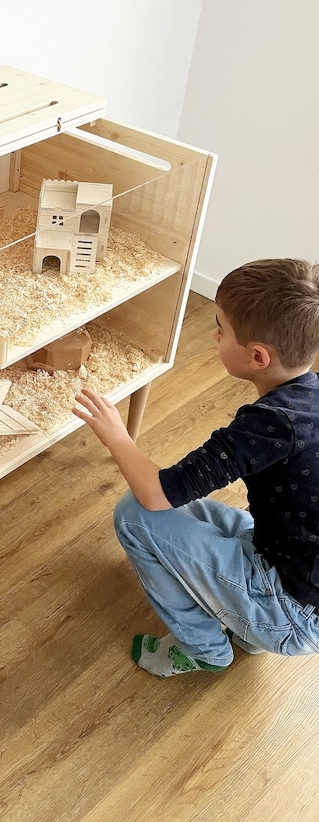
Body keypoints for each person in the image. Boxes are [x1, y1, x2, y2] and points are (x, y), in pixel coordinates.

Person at [73, 258, 319, 677]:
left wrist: (117, 435)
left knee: (135, 515)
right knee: (200, 514)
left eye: (221, 328)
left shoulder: (267, 426)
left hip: (293, 611)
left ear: (258, 356)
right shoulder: (308, 397)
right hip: (297, 573)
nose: (214, 335)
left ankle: (204, 647)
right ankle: (250, 626)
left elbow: (156, 492)